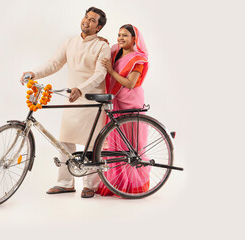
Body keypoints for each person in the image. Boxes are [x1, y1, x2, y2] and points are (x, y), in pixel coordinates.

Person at [20, 7, 110, 198]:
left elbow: (100, 73)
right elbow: (54, 63)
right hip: (72, 97)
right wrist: (34, 73)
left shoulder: (102, 46)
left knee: (92, 143)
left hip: (91, 98)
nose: (87, 21)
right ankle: (65, 182)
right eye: (86, 17)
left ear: (99, 27)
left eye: (93, 20)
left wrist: (81, 89)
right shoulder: (70, 42)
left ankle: (90, 185)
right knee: (65, 140)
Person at [96, 24, 150, 196]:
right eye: (119, 35)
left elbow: (130, 83)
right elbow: (106, 49)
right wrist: (101, 42)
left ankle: (132, 185)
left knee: (132, 145)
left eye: (125, 35)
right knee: (114, 144)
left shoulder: (138, 59)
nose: (120, 38)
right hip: (115, 101)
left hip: (130, 104)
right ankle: (116, 182)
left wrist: (111, 71)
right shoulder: (115, 51)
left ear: (135, 39)